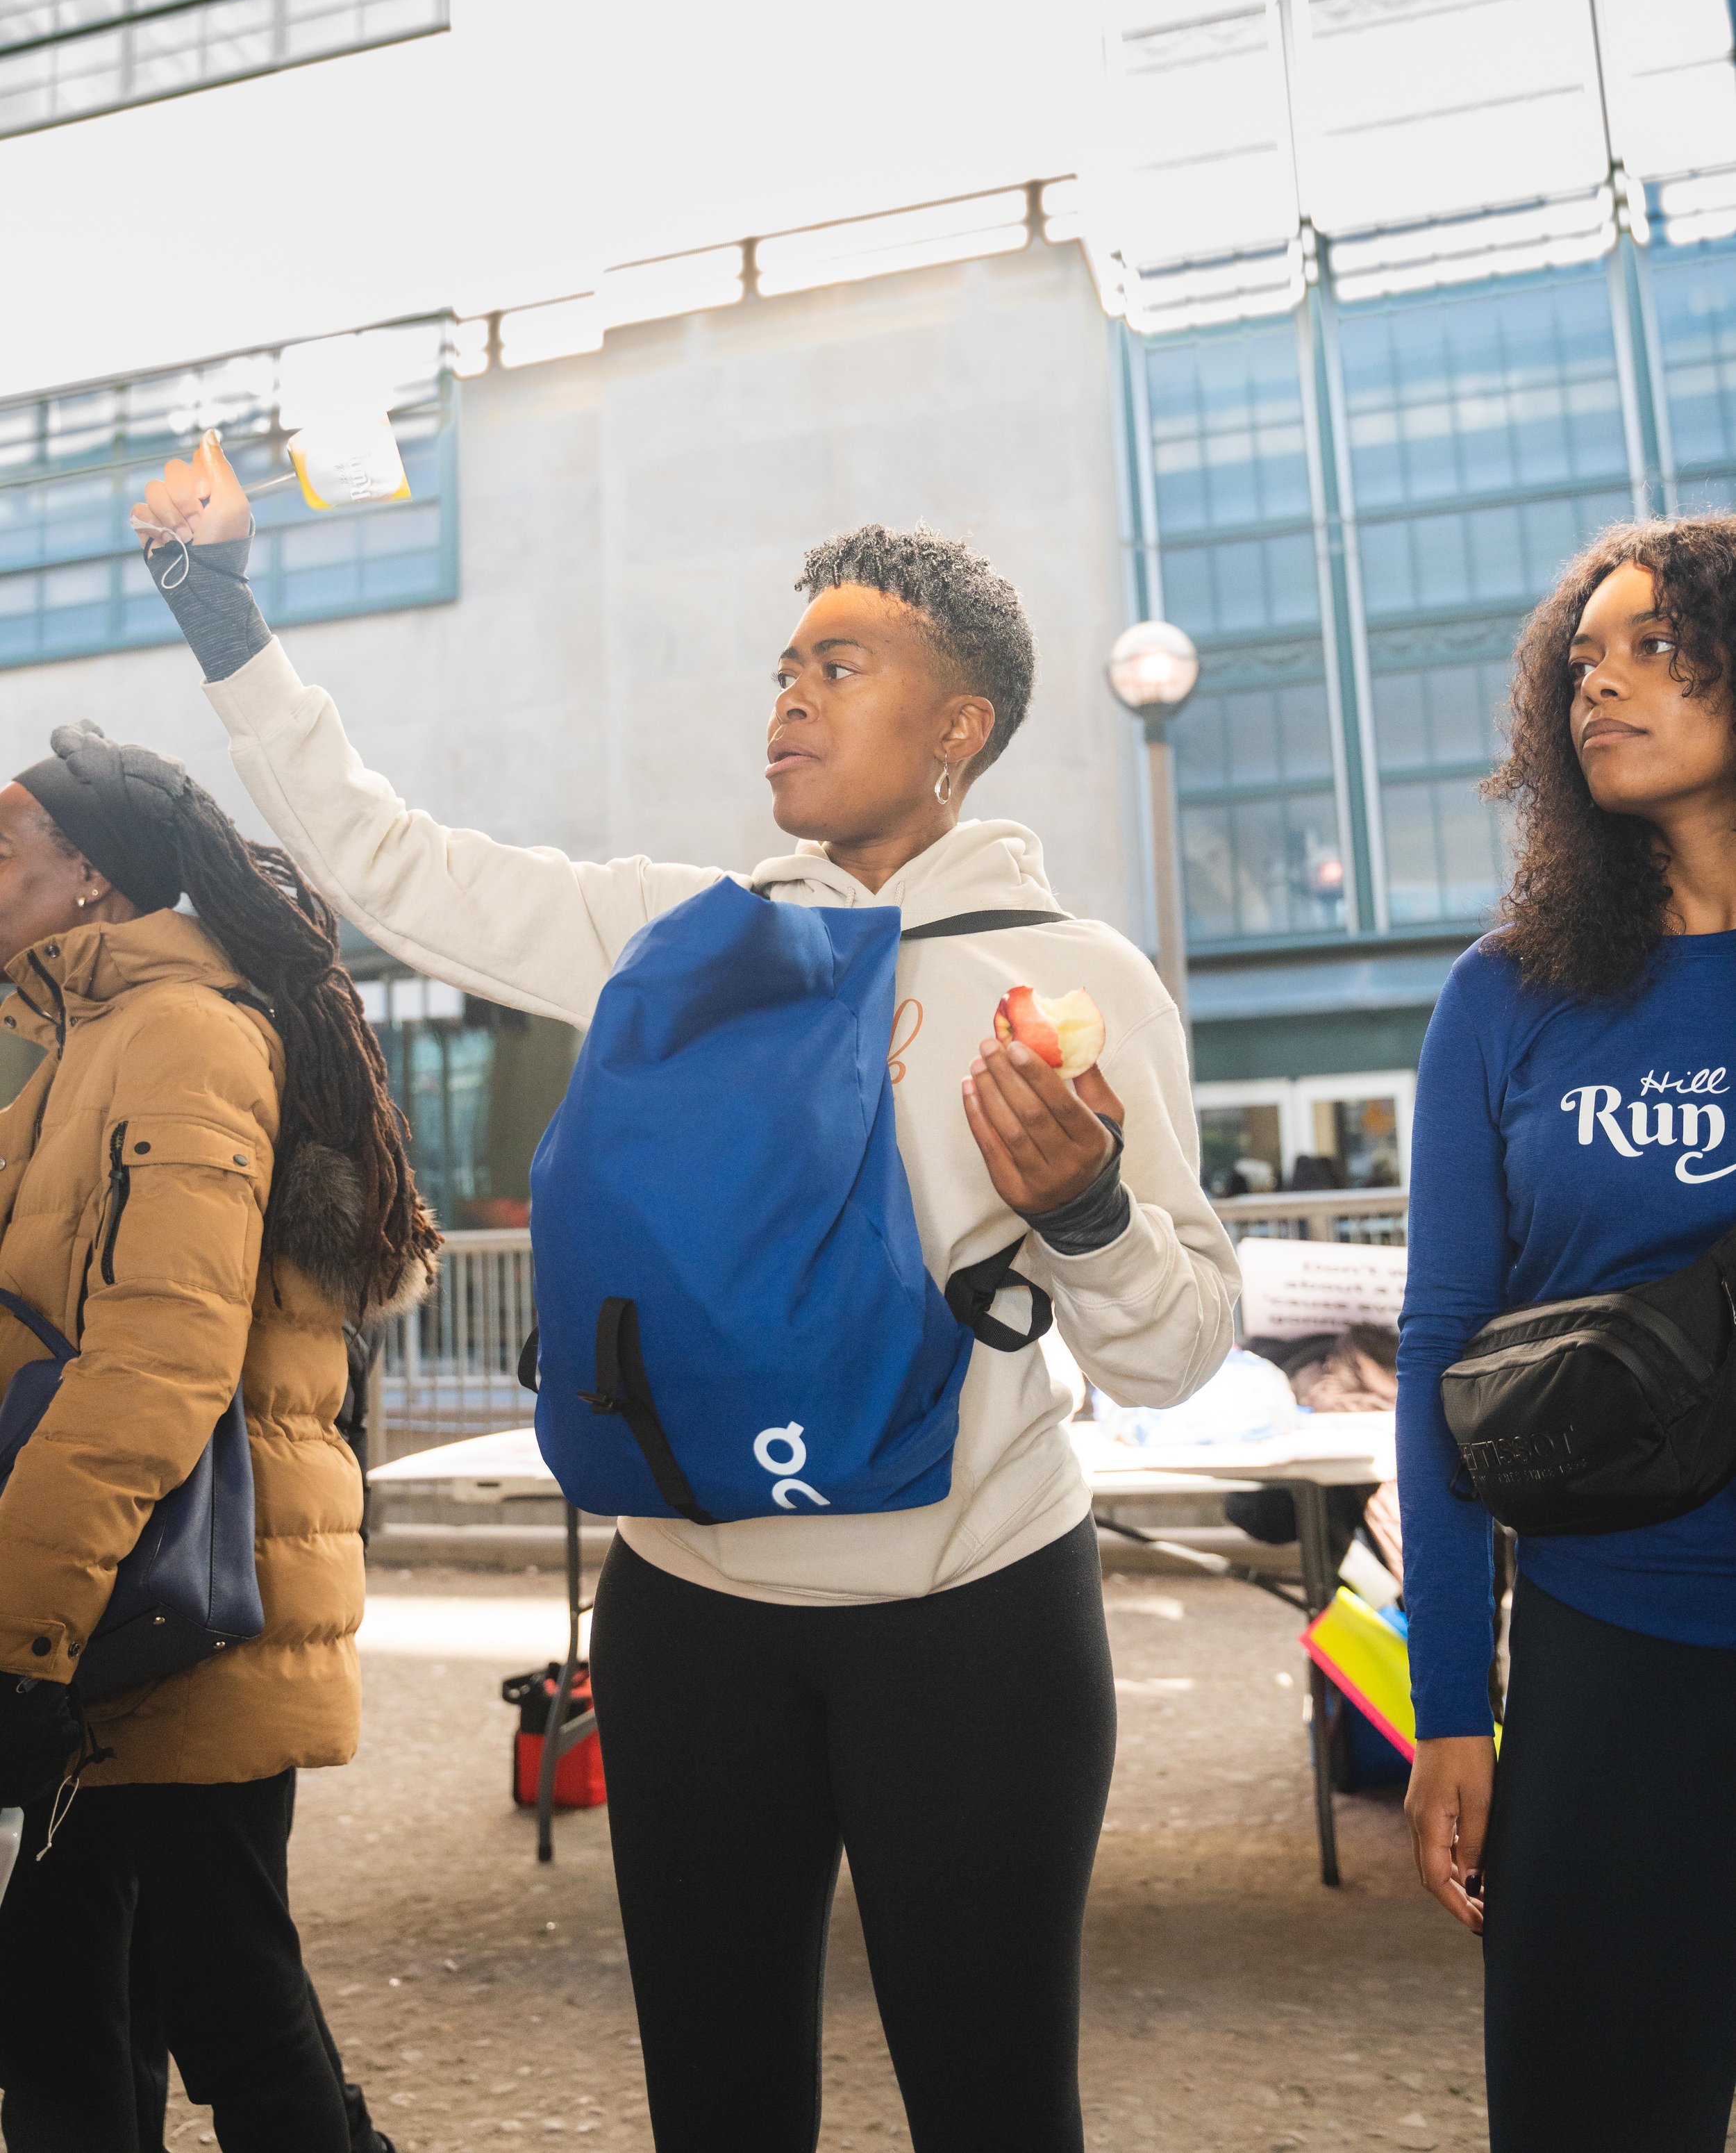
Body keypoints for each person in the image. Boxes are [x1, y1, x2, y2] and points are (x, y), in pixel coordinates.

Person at [133, 442, 1239, 2153]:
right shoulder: (688, 942)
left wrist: (1085, 1208)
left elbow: (1172, 1350)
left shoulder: (1072, 980)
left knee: (995, 2102)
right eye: (784, 666)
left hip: (973, 1629)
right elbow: (390, 862)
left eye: (839, 665)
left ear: (960, 728)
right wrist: (223, 618)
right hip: (690, 1625)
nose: (786, 700)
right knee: (714, 2111)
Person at [0, 722, 436, 2152]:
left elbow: (161, 1357)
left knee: (214, 1997)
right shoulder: (77, 1039)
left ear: (94, 884)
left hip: (177, 1603)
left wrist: (20, 1629)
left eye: (4, 848)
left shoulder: (181, 1036)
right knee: (88, 1988)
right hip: (129, 1596)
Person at [1399, 517, 1736, 2152]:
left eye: (1653, 645)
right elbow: (1444, 1350)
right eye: (1579, 659)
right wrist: (1449, 1705)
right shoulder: (1506, 992)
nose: (1600, 679)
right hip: (1611, 1653)